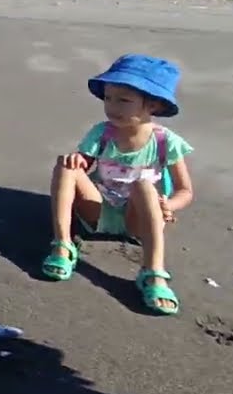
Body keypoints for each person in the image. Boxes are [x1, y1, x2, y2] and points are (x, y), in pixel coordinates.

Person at [40, 54, 196, 316]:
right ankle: (62, 245)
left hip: (139, 218)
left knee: (143, 185)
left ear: (153, 104)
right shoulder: (102, 133)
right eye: (108, 98)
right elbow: (84, 165)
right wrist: (77, 160)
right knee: (66, 166)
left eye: (123, 100)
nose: (112, 107)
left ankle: (153, 272)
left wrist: (168, 205)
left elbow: (185, 191)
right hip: (98, 209)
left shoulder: (165, 141)